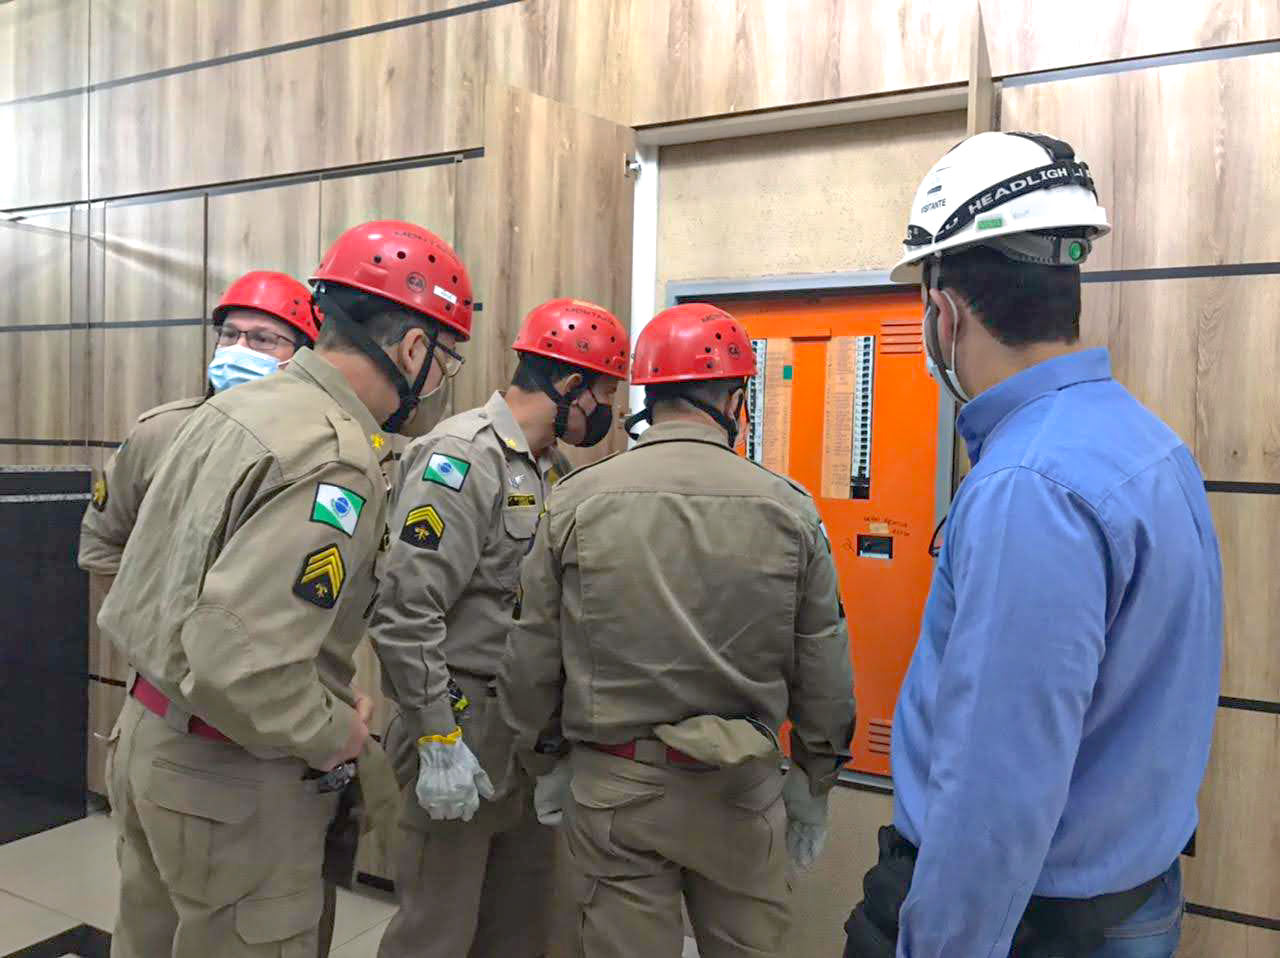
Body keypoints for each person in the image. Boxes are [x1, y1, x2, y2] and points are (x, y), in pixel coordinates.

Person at [842, 132, 1223, 958]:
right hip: (1129, 900)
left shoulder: (1029, 485)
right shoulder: (1150, 445)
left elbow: (995, 790)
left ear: (944, 311)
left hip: (1033, 925)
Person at [99, 220, 475, 958]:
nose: (438, 379)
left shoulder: (231, 409)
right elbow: (240, 664)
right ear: (411, 348)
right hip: (231, 776)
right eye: (444, 358)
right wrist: (337, 731)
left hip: (149, 734)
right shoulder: (334, 454)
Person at [495, 303, 857, 958]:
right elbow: (824, 663)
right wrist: (814, 779)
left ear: (648, 398)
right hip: (742, 789)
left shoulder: (576, 500)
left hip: (615, 788)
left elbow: (531, 654)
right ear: (735, 400)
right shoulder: (791, 509)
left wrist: (542, 759)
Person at [370, 298, 629, 958]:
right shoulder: (460, 456)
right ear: (570, 383)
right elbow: (406, 609)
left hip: (526, 731)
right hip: (457, 724)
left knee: (520, 928)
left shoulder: (552, 470)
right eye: (604, 394)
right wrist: (437, 735)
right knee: (437, 929)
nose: (608, 411)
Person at [78, 270, 322, 584]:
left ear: (302, 356)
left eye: (263, 339)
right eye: (229, 334)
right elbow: (102, 546)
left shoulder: (319, 450)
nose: (239, 348)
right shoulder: (158, 432)